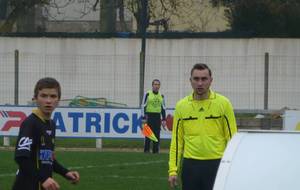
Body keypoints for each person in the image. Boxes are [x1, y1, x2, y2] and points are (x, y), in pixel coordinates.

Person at [168, 63, 237, 190]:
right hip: (190, 166)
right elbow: (177, 142)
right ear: (190, 81)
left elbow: (232, 138)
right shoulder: (181, 106)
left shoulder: (224, 103)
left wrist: (233, 167)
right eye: (196, 79)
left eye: (204, 79)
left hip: (216, 164)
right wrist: (173, 170)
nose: (200, 83)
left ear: (211, 81)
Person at [12, 77, 80, 190]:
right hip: (26, 186)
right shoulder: (30, 123)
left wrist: (66, 173)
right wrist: (43, 179)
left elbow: (48, 159)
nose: (48, 101)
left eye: (53, 96)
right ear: (35, 99)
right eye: (43, 96)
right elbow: (21, 157)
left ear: (58, 100)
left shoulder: (51, 124)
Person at [141, 79, 167, 153]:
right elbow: (143, 106)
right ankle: (146, 150)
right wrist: (143, 117)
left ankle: (155, 151)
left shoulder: (161, 96)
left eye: (158, 84)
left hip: (157, 117)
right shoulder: (148, 94)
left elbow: (163, 108)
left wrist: (164, 119)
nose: (156, 86)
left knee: (156, 134)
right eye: (155, 84)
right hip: (149, 116)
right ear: (152, 85)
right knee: (148, 134)